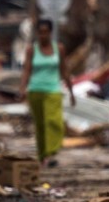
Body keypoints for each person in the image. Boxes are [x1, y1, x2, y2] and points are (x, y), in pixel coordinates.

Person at [19, 18, 75, 167]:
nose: (43, 35)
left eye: (46, 32)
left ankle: (52, 153)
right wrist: (22, 89)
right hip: (35, 90)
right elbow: (27, 70)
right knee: (40, 124)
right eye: (40, 33)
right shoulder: (32, 50)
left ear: (51, 33)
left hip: (53, 90)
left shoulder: (59, 49)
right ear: (37, 33)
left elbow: (64, 70)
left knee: (54, 122)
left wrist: (71, 91)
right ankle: (42, 155)